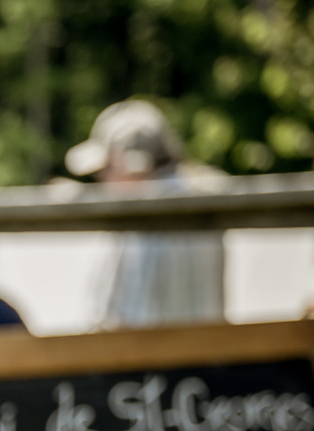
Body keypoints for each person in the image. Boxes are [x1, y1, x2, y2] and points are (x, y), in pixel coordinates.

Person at [67, 99, 226, 327]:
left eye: (105, 169)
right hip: (208, 354)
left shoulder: (136, 216)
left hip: (144, 355)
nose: (102, 181)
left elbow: (105, 317)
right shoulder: (209, 203)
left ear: (128, 163)